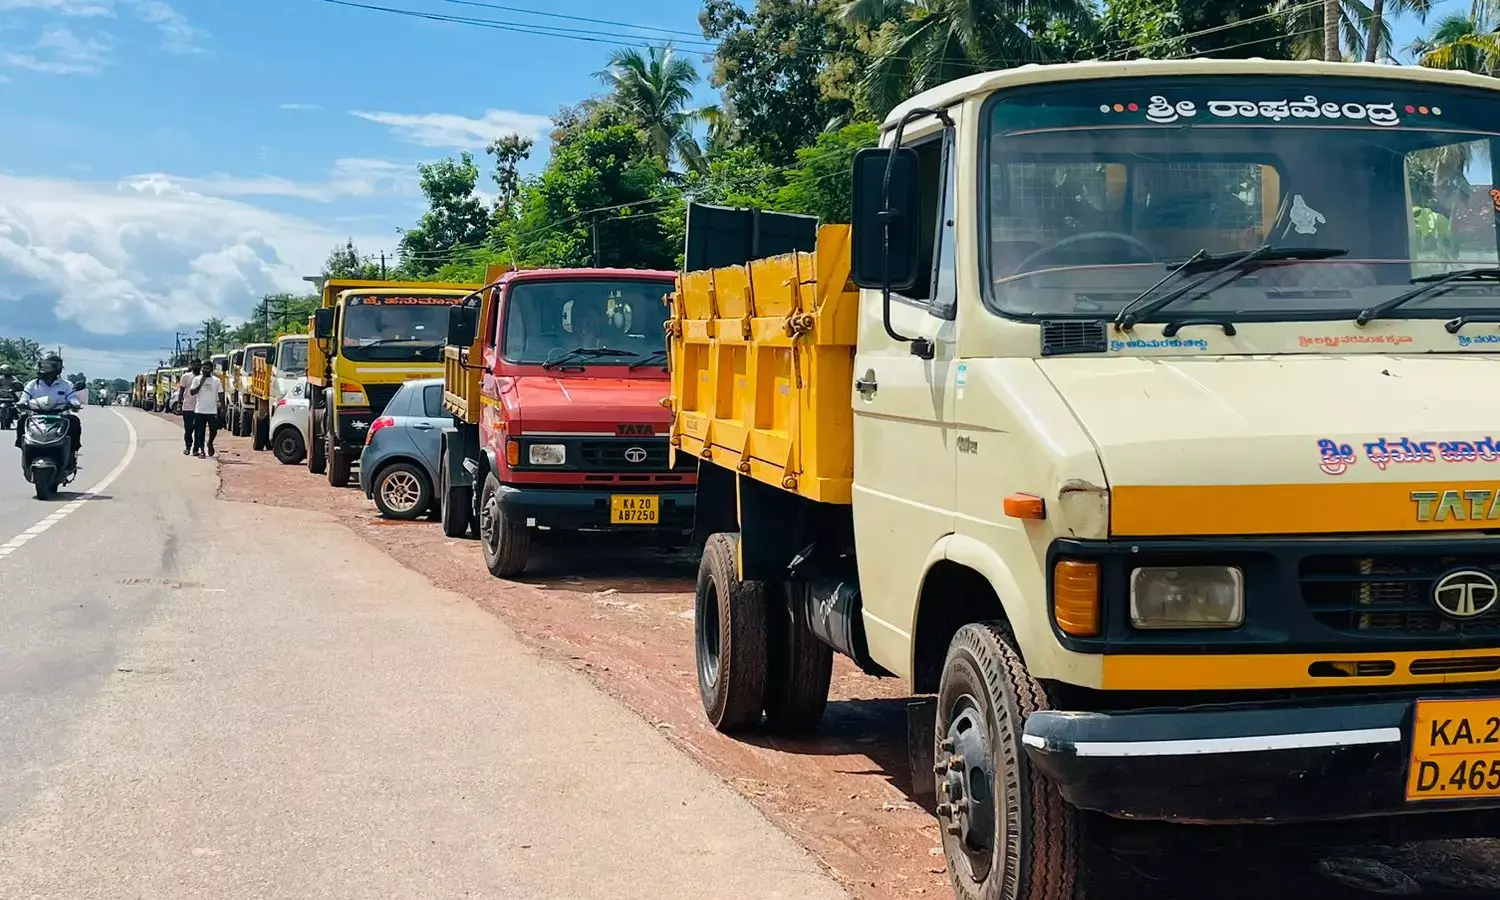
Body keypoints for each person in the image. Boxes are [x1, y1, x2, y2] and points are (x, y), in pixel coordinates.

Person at [14, 354, 82, 453]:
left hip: (60, 417)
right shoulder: (32, 384)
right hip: (36, 416)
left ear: (57, 367)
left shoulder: (66, 385)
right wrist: (21, 403)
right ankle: (25, 449)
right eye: (43, 365)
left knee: (74, 421)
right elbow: (24, 398)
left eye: (48, 366)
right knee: (22, 420)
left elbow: (73, 398)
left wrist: (75, 404)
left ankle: (71, 454)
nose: (44, 368)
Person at [187, 359, 223, 458]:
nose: (204, 370)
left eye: (207, 368)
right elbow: (192, 392)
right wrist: (201, 383)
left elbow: (221, 394)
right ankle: (202, 450)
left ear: (211, 369)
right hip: (200, 410)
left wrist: (223, 408)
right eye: (203, 368)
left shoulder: (216, 381)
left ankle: (210, 442)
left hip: (212, 410)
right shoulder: (197, 379)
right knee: (199, 432)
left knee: (214, 429)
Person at [177, 361, 200, 455]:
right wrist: (179, 403)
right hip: (187, 407)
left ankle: (196, 449)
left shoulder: (203, 377)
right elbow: (181, 390)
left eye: (198, 364)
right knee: (188, 429)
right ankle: (188, 446)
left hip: (200, 407)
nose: (196, 366)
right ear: (191, 365)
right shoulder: (185, 376)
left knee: (199, 430)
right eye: (194, 364)